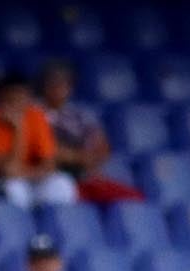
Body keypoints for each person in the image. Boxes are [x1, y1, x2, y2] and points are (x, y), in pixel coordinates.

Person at [40, 62, 142, 204]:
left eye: (64, 84)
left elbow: (102, 147)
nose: (59, 89)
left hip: (85, 175)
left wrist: (86, 159)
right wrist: (77, 157)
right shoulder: (37, 114)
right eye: (54, 84)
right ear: (44, 87)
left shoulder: (79, 114)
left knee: (133, 198)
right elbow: (48, 151)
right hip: (54, 177)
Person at [0, 74, 79, 208]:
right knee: (15, 190)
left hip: (32, 177)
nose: (18, 105)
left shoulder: (36, 116)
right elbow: (8, 170)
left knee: (63, 183)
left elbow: (49, 164)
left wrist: (28, 174)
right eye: (12, 100)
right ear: (1, 100)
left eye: (22, 99)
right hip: (3, 181)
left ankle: (53, 227)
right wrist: (19, 129)